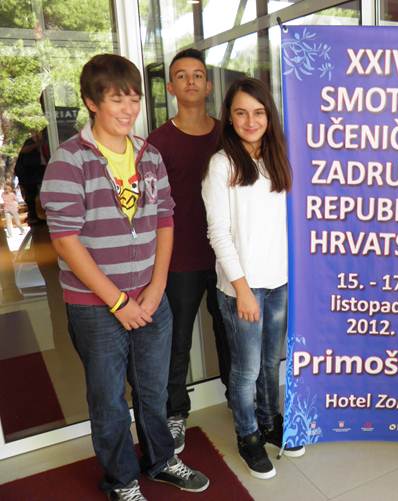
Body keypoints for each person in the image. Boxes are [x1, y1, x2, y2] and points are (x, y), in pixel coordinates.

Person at [40, 53, 209, 500]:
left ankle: (161, 460)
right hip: (96, 308)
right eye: (117, 100)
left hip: (151, 298)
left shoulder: (149, 155)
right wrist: (117, 302)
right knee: (109, 400)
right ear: (91, 102)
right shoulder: (69, 161)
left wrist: (156, 288)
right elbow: (66, 242)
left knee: (154, 391)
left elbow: (166, 220)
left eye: (134, 99)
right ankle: (121, 480)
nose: (129, 109)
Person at [202, 77, 304, 480]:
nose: (250, 120)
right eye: (241, 112)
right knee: (246, 371)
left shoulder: (278, 158)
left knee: (269, 362)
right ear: (229, 116)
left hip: (278, 282)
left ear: (269, 115)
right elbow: (218, 233)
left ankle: (269, 420)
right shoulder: (222, 164)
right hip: (241, 288)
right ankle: (248, 436)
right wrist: (242, 290)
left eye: (258, 112)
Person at [148, 48, 231, 454]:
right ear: (170, 88)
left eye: (198, 74)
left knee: (230, 333)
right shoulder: (158, 142)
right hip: (180, 258)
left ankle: (240, 400)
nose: (191, 81)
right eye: (182, 76)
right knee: (177, 340)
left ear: (208, 85)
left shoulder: (228, 134)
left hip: (226, 256)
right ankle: (175, 413)